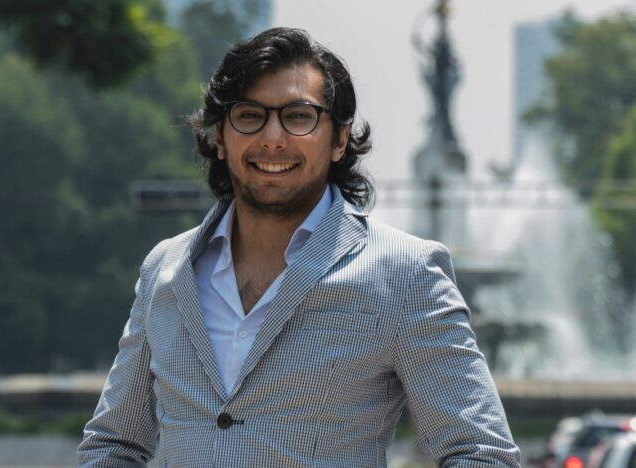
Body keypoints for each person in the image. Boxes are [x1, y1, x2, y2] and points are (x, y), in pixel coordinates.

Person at [78, 27, 520, 467]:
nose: (273, 138)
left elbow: (482, 453)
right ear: (219, 138)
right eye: (249, 115)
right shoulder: (166, 269)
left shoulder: (405, 273)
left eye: (298, 116)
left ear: (340, 140)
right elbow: (114, 445)